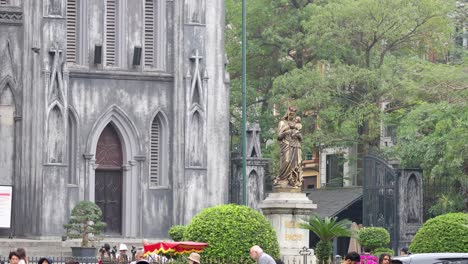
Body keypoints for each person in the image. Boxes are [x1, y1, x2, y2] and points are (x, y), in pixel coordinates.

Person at [273, 106, 303, 188]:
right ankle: (283, 179)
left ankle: (293, 180)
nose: (292, 116)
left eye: (293, 115)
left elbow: (300, 137)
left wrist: (298, 135)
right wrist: (286, 132)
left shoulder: (296, 124)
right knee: (286, 161)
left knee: (297, 163)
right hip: (286, 144)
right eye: (291, 114)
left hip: (295, 145)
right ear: (287, 114)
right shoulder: (282, 123)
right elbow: (279, 136)